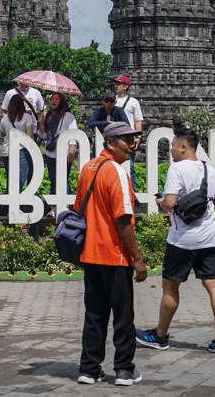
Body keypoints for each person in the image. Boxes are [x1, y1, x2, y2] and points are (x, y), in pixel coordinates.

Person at [136, 127, 215, 355]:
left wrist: (160, 201)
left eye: (172, 146)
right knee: (214, 285)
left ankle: (160, 336)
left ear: (183, 147)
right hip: (209, 237)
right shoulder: (212, 171)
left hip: (182, 240)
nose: (171, 150)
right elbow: (214, 200)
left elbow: (170, 203)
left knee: (170, 287)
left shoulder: (177, 169)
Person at [75, 121, 147, 387]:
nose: (131, 145)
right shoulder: (115, 171)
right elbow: (123, 221)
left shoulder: (87, 169)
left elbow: (80, 210)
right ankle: (124, 370)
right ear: (109, 143)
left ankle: (89, 369)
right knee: (123, 315)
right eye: (126, 140)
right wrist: (137, 258)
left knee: (94, 313)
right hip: (114, 254)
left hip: (90, 253)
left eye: (132, 140)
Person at [38, 91, 78, 195]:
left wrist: (71, 152)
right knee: (53, 181)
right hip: (51, 154)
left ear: (61, 101)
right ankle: (53, 208)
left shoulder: (68, 116)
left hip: (64, 154)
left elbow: (73, 134)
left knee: (63, 180)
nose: (53, 101)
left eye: (56, 99)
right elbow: (44, 136)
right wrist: (41, 122)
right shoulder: (48, 116)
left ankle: (66, 207)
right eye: (52, 99)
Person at [111, 75, 143, 187]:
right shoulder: (111, 101)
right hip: (114, 138)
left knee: (130, 166)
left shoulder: (133, 102)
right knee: (113, 166)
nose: (116, 86)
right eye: (115, 84)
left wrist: (138, 137)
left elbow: (138, 120)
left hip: (129, 138)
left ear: (125, 86)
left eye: (118, 84)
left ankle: (131, 191)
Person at [0, 92, 36, 191]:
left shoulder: (5, 118)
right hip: (21, 150)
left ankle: (9, 203)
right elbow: (29, 136)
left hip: (6, 150)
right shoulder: (26, 117)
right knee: (21, 176)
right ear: (21, 104)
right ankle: (16, 199)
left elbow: (2, 134)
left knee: (10, 177)